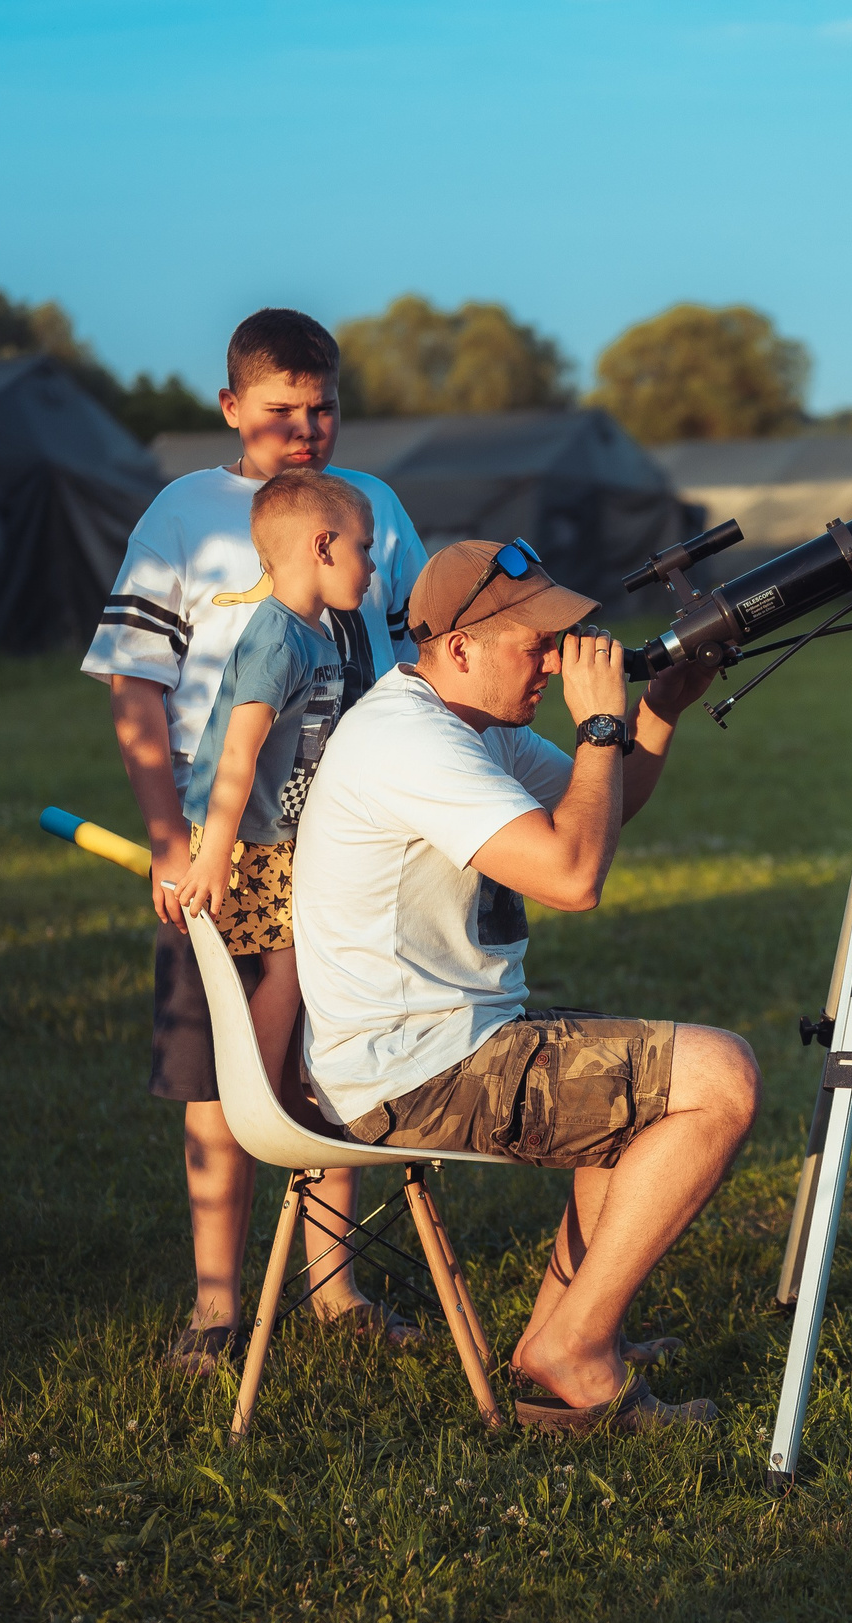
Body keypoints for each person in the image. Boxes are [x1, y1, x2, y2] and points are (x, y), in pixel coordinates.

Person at [292, 539, 760, 1434]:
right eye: (535, 641)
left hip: (442, 1042)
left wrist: (652, 712)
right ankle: (575, 1346)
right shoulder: (411, 742)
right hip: (412, 1071)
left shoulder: (475, 723)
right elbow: (574, 877)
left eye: (561, 638)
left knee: (650, 1081)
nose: (555, 658)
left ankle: (559, 1340)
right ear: (459, 648)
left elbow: (605, 805)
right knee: (721, 1078)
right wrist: (596, 726)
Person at [80, 309, 428, 1374]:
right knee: (222, 1078)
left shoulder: (374, 509)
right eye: (282, 411)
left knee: (334, 1065)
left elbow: (417, 662)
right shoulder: (185, 514)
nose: (307, 428)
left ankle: (333, 1288)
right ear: (231, 408)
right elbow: (137, 686)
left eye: (324, 407)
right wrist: (169, 837)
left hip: (353, 854)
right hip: (221, 853)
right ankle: (219, 1305)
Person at [173, 468, 376, 1104]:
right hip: (246, 840)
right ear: (323, 546)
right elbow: (239, 752)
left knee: (304, 963)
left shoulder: (321, 632)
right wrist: (214, 853)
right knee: (288, 966)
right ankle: (258, 1095)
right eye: (363, 549)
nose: (371, 567)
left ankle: (285, 1087)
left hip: (280, 836)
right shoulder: (278, 640)